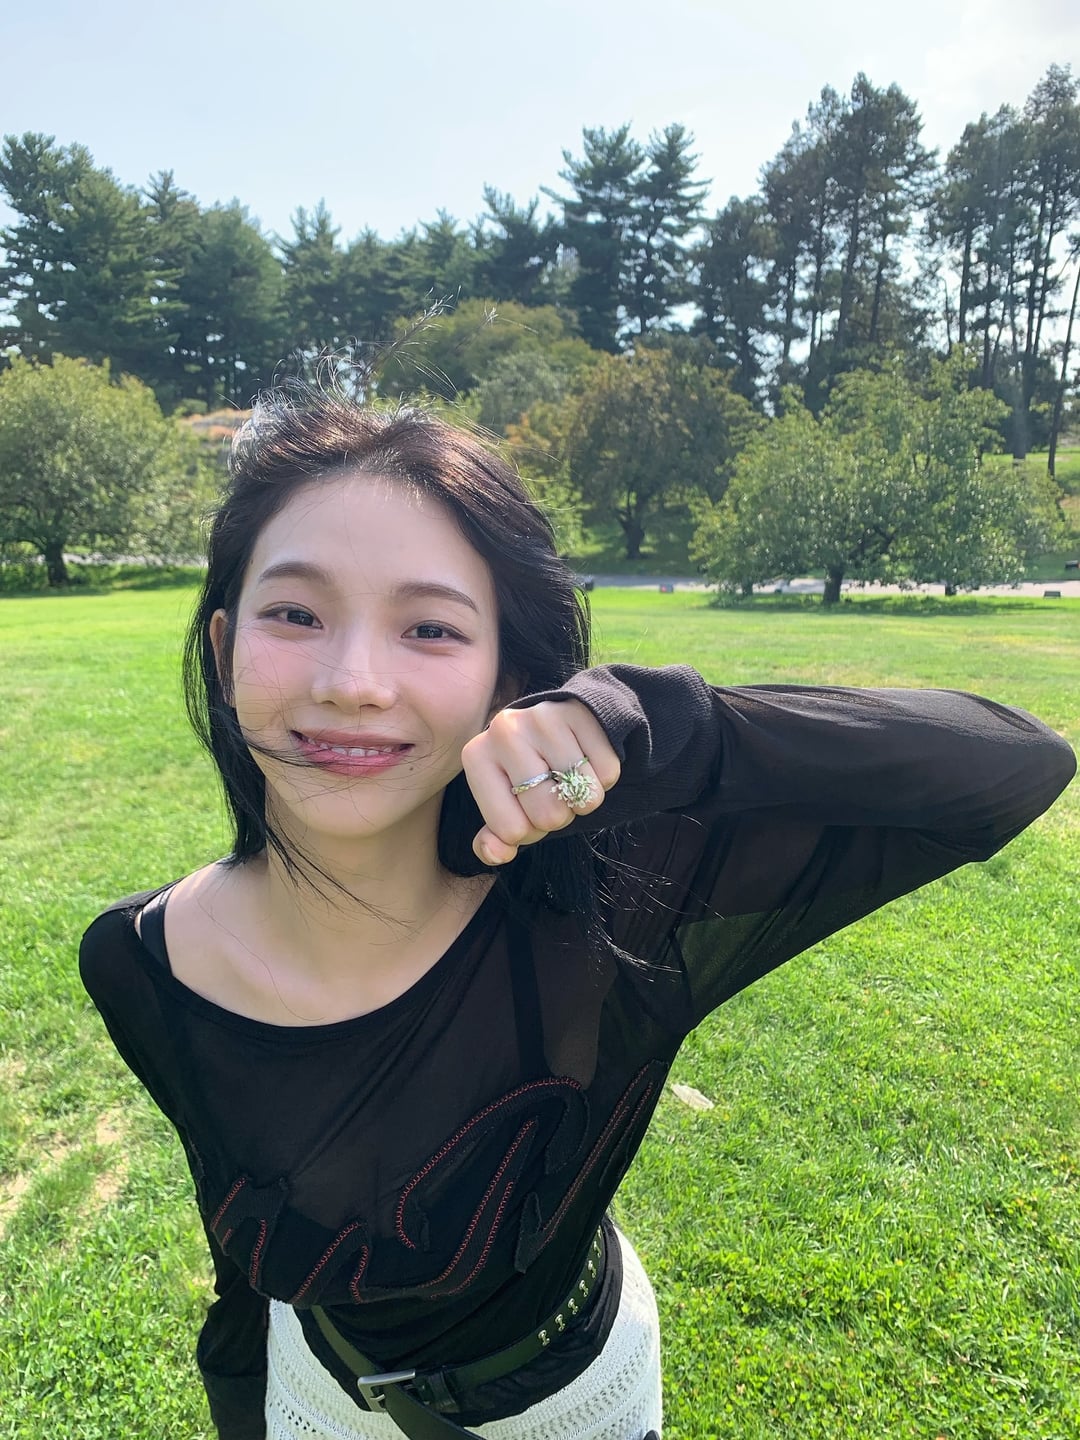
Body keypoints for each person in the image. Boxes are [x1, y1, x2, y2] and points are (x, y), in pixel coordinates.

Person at [80, 383, 1075, 1440]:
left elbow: (1010, 765)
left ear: (505, 677)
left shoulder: (616, 901)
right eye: (295, 614)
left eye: (430, 627)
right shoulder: (142, 958)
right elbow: (239, 1249)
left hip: (577, 1399)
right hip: (310, 1397)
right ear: (225, 646)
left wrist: (667, 726)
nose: (353, 681)